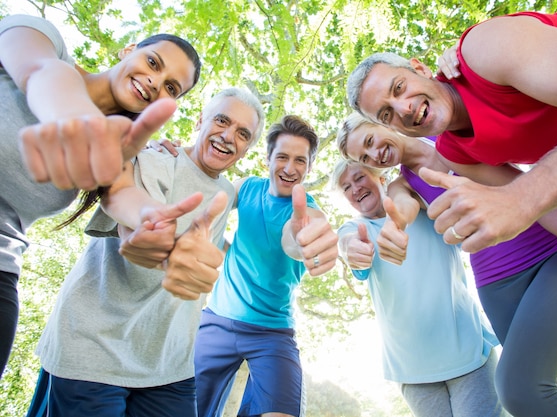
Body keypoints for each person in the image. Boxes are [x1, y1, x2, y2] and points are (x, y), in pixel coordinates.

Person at [336, 112, 557, 417]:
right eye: (365, 156)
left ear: (382, 124)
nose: (374, 154)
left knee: (522, 390)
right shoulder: (402, 185)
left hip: (548, 255)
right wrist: (397, 225)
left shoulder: (447, 129)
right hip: (496, 288)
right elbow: (401, 206)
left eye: (370, 141)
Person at [29, 87, 265, 417]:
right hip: (95, 348)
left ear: (247, 149)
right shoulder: (155, 158)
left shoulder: (226, 192)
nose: (228, 136)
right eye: (221, 121)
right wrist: (158, 241)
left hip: (169, 365)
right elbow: (133, 219)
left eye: (243, 134)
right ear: (200, 121)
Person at [0, 13, 201, 379]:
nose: (155, 82)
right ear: (128, 50)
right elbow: (40, 70)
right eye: (152, 63)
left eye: (172, 89)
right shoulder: (42, 40)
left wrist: (158, 223)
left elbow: (124, 196)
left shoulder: (121, 151)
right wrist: (77, 121)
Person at [346, 3, 557, 254]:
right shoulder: (455, 154)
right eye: (386, 114)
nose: (403, 109)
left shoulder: (482, 49)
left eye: (399, 87)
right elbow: (555, 209)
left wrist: (520, 198)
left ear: (420, 69)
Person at [333, 159, 505, 417]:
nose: (354, 189)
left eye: (359, 178)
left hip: (467, 351)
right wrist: (350, 249)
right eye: (346, 187)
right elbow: (346, 243)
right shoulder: (357, 229)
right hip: (412, 369)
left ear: (382, 178)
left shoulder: (426, 209)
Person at [194, 115, 339, 417]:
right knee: (183, 405)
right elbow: (207, 203)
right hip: (218, 320)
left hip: (272, 333)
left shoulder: (308, 211)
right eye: (282, 157)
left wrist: (301, 239)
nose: (289, 168)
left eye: (300, 161)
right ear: (267, 160)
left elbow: (293, 239)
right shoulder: (246, 188)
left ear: (309, 168)